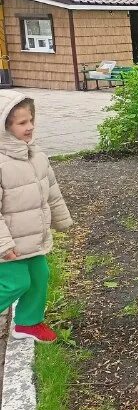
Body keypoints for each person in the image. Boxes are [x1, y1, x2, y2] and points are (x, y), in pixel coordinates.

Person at [0, 91, 73, 344]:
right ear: (4, 128)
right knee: (15, 283)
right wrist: (3, 243)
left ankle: (28, 323)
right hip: (8, 242)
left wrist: (62, 219)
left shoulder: (36, 155)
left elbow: (51, 189)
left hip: (32, 237)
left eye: (31, 120)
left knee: (39, 276)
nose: (30, 126)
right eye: (22, 123)